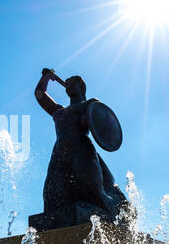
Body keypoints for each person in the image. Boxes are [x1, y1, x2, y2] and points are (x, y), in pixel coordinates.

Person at [34, 68, 127, 227]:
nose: (69, 84)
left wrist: (84, 118)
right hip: (60, 153)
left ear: (81, 88)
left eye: (73, 83)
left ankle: (118, 215)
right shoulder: (60, 112)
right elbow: (40, 95)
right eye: (68, 83)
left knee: (93, 192)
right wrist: (46, 77)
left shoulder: (89, 104)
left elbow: (98, 117)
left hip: (82, 151)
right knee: (51, 195)